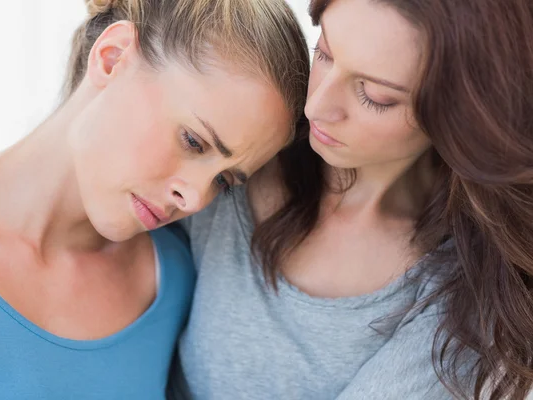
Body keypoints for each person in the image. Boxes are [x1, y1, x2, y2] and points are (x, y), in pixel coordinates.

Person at [0, 0, 310, 398]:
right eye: (193, 141)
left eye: (223, 180)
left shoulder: (171, 278)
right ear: (112, 59)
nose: (195, 198)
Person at [169, 0, 533, 399]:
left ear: (464, 114)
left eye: (375, 95)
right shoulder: (235, 150)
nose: (316, 107)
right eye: (323, 52)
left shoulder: (474, 291)